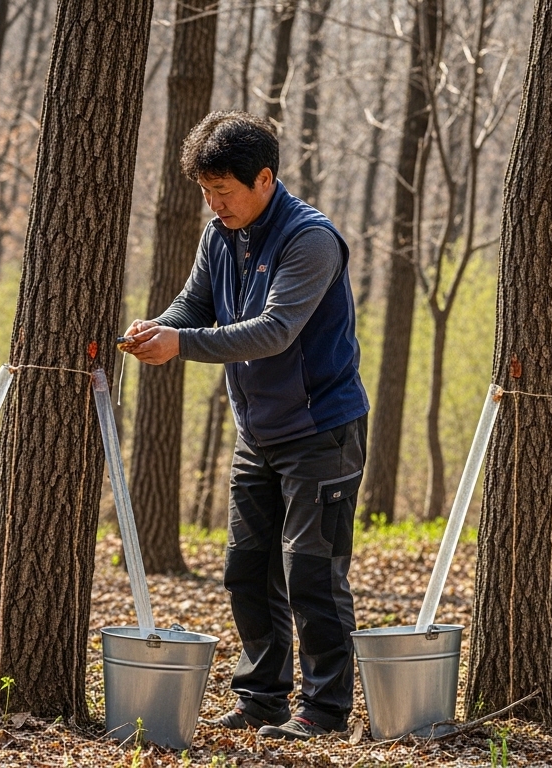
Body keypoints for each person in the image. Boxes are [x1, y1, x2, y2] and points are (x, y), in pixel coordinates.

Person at [123, 111, 368, 741]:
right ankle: (263, 697)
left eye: (223, 191)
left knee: (313, 571)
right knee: (247, 567)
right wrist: (160, 327)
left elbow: (274, 332)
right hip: (257, 434)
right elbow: (195, 305)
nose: (214, 203)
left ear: (264, 179)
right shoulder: (219, 235)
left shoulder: (310, 240)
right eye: (206, 191)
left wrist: (181, 344)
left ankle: (326, 710)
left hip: (322, 431)